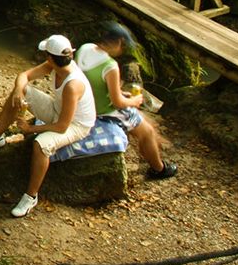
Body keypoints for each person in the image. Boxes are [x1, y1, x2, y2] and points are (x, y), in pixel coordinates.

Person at [0, 34, 96, 218]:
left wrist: (31, 130)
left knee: (40, 145)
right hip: (57, 110)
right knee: (21, 91)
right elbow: (24, 75)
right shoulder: (54, 65)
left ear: (51, 57)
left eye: (46, 54)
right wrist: (18, 91)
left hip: (76, 125)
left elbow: (62, 126)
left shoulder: (73, 84)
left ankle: (31, 196)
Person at [75, 22, 177, 180]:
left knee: (144, 121)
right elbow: (118, 103)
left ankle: (152, 149)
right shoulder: (110, 66)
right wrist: (135, 101)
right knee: (147, 131)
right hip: (102, 111)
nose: (123, 50)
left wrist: (120, 92)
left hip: (85, 102)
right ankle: (158, 169)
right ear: (118, 42)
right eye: (123, 46)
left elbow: (93, 82)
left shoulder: (84, 49)